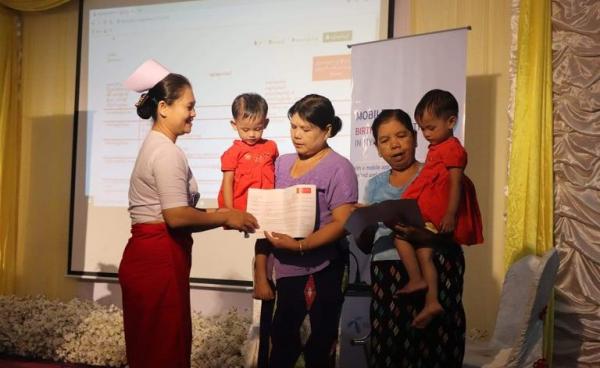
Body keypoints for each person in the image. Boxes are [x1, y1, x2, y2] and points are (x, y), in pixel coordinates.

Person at [118, 59, 258, 368]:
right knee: (163, 350)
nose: (194, 113)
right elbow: (177, 216)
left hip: (154, 255)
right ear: (164, 107)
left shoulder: (156, 145)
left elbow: (178, 212)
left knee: (155, 347)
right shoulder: (166, 151)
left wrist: (226, 213)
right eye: (189, 106)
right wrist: (225, 216)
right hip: (158, 257)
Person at [356, 109, 466, 368]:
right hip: (387, 275)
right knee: (390, 348)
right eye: (385, 140)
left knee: (436, 348)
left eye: (401, 135)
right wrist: (364, 225)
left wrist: (423, 236)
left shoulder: (438, 175)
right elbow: (365, 245)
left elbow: (458, 235)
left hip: (436, 270)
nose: (394, 144)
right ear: (377, 148)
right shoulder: (374, 186)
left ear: (415, 138)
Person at [260, 94, 358, 367]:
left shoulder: (339, 168)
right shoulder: (280, 163)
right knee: (281, 344)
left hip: (322, 270)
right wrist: (261, 270)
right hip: (284, 270)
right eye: (293, 127)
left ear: (327, 130)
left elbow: (342, 223)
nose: (297, 135)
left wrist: (301, 246)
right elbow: (268, 215)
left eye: (306, 129)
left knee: (318, 345)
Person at [395, 89, 483, 327]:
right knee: (421, 251)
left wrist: (450, 214)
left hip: (439, 216)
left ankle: (419, 283)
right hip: (430, 214)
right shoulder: (436, 148)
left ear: (451, 121)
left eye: (430, 128)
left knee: (410, 243)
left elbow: (455, 183)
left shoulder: (453, 148)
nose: (425, 134)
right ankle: (430, 298)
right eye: (422, 129)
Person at [216, 93, 279, 300]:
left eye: (258, 128)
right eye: (246, 129)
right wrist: (230, 211)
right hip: (244, 205)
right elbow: (227, 182)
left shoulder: (271, 147)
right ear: (234, 125)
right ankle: (260, 279)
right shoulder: (232, 152)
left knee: (269, 238)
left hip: (268, 203)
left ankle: (268, 278)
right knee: (262, 239)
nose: (252, 134)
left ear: (266, 123)